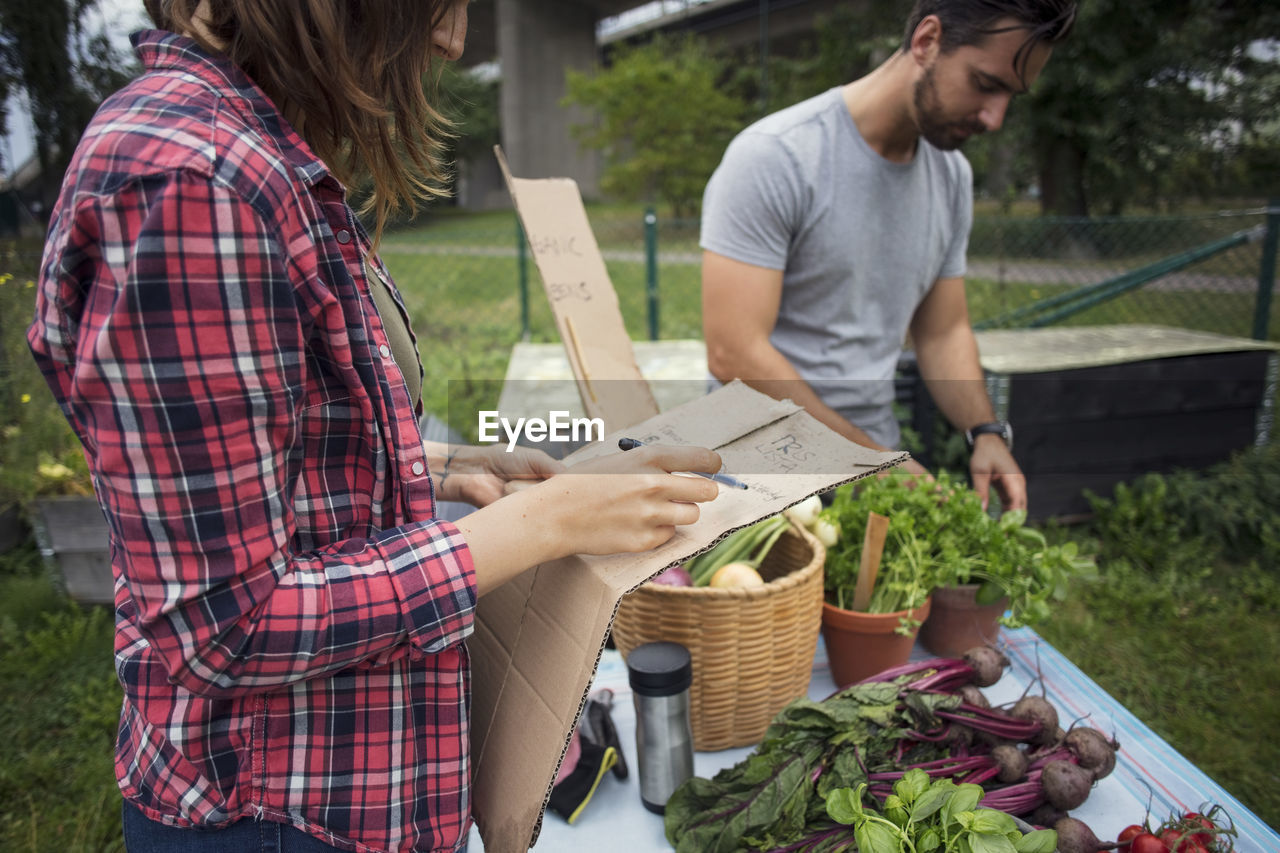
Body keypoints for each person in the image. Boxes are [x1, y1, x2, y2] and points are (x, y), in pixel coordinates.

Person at [27, 2, 723, 851]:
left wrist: (441, 464)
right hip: (279, 814)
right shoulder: (192, 182)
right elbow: (227, 625)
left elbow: (274, 459)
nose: (452, 39)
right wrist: (546, 522)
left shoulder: (253, 148)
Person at [700, 0, 1078, 512]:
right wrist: (869, 463)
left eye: (1011, 95)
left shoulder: (952, 178)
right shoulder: (777, 157)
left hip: (871, 459)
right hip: (759, 467)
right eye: (986, 84)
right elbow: (733, 352)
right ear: (927, 41)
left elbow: (942, 332)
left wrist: (984, 431)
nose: (995, 118)